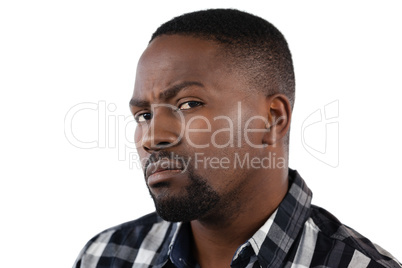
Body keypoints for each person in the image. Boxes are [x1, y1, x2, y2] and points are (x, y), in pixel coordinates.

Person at [73, 9, 401, 268]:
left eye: (188, 104)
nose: (153, 137)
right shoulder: (107, 256)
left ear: (273, 118)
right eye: (144, 115)